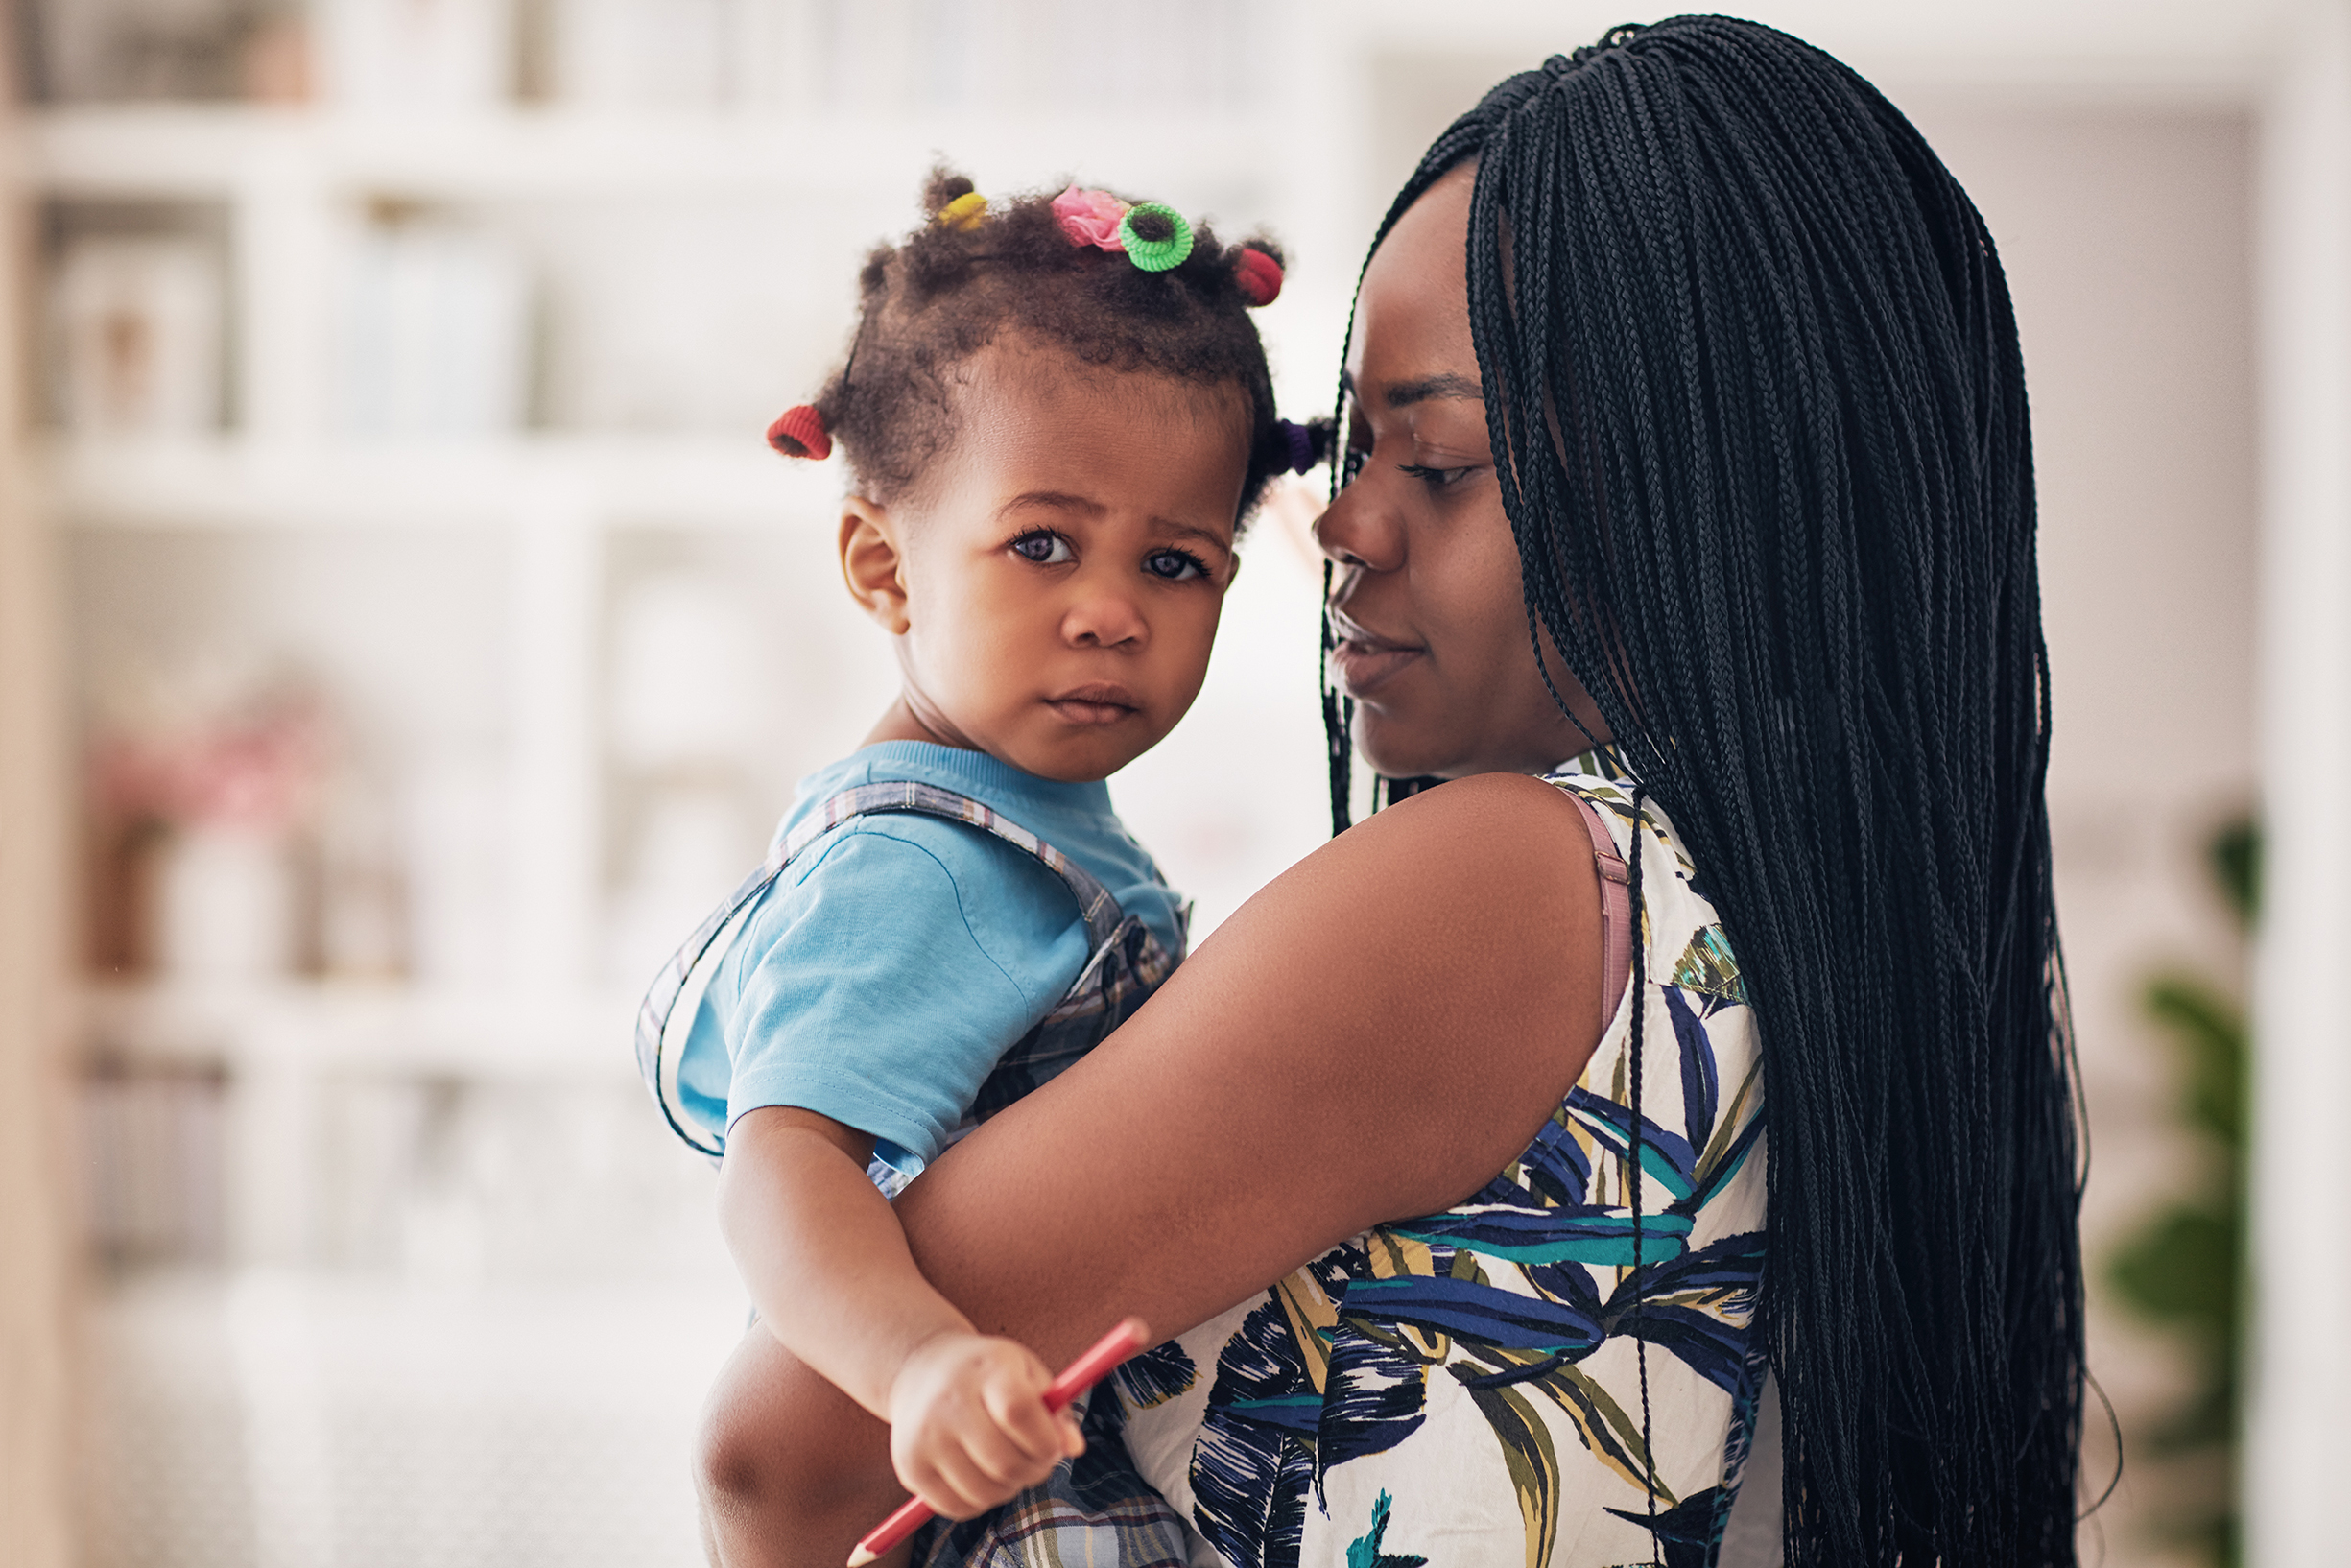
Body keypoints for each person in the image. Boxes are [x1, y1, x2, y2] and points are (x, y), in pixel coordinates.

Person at [698, 19, 2084, 1568]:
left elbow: (779, 1454)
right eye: (1348, 445)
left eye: (1432, 460)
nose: (1338, 520)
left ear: (1707, 497)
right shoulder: (1863, 938)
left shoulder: (1504, 884)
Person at [640, 170, 1318, 1562]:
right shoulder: (928, 866)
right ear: (884, 568)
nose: (1111, 613)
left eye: (1177, 564)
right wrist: (916, 1367)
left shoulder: (1035, 833)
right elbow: (780, 1164)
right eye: (1043, 544)